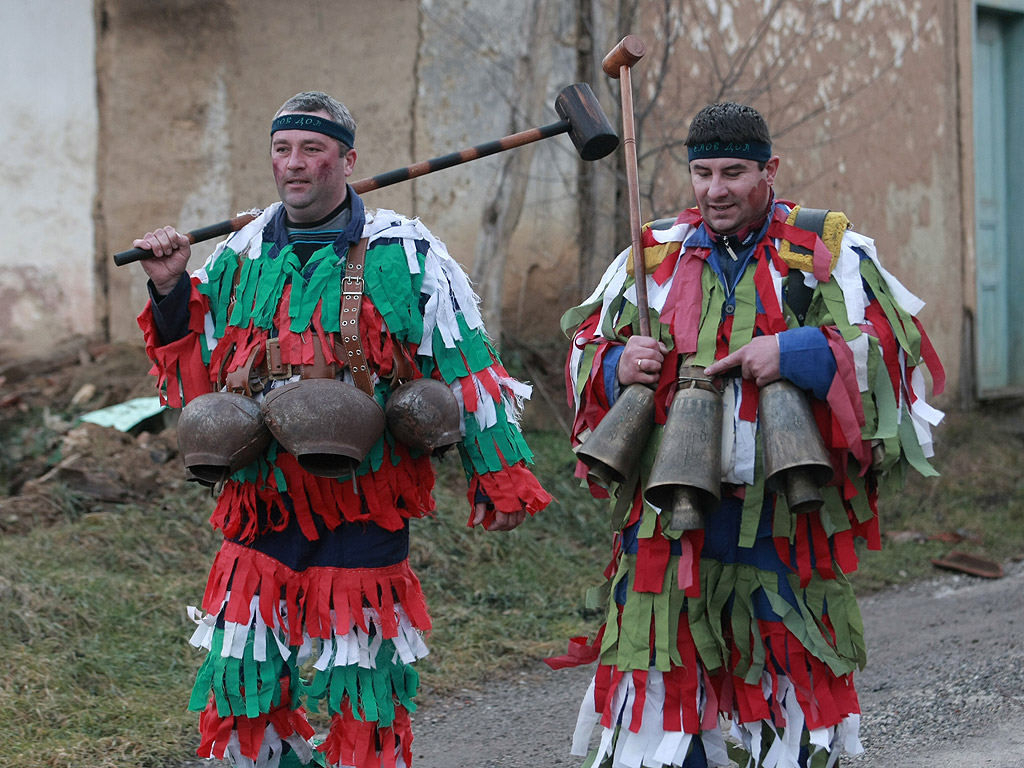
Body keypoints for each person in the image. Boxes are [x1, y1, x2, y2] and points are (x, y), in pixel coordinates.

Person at [134, 91, 551, 768]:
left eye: (312, 151)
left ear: (346, 160)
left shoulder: (406, 255)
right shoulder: (239, 255)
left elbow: (466, 364)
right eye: (282, 150)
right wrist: (169, 288)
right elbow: (191, 368)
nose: (293, 166)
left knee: (365, 683)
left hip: (367, 499)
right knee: (245, 674)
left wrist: (498, 476)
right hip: (262, 499)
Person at [555, 102, 944, 767]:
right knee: (660, 692)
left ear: (771, 169)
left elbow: (893, 361)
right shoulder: (653, 252)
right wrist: (620, 362)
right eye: (702, 173)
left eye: (733, 172)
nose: (714, 190)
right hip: (666, 522)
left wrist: (795, 353)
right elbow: (583, 348)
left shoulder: (826, 248)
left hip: (783, 516)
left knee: (787, 688)